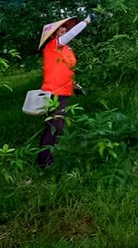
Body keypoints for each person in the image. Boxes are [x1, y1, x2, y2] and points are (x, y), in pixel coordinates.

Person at [36, 14, 93, 168]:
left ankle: (50, 156)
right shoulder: (53, 45)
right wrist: (86, 22)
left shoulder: (65, 49)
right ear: (53, 34)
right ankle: (45, 161)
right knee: (54, 126)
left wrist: (75, 85)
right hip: (53, 91)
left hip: (64, 91)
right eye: (59, 28)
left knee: (57, 125)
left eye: (64, 27)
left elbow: (64, 69)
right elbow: (71, 34)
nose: (63, 29)